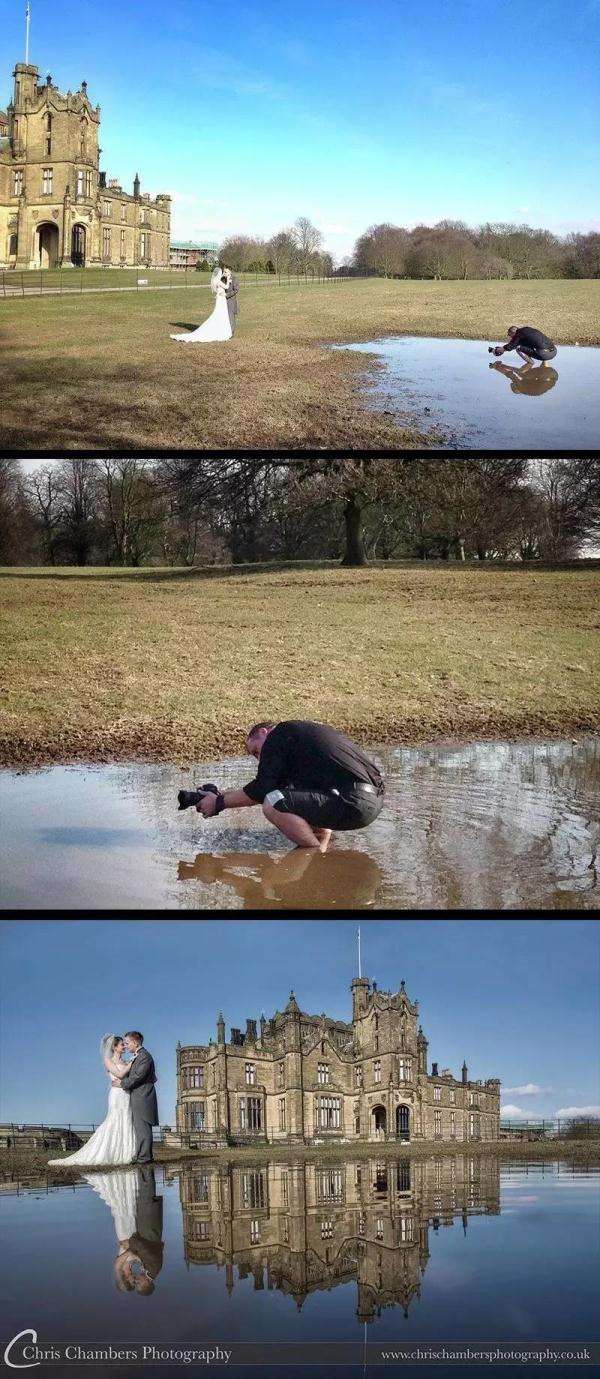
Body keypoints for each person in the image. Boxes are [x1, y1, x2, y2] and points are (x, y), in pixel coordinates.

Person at [195, 719, 385, 852]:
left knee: (273, 802)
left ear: (264, 732)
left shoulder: (279, 735)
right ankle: (322, 843)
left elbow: (263, 791)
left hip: (353, 800)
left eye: (256, 751)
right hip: (370, 804)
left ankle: (313, 856)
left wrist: (219, 803)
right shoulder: (299, 744)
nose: (260, 758)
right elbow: (264, 788)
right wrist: (219, 796)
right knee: (286, 798)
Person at [48, 1034, 136, 1167]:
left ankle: (127, 1153)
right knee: (115, 1120)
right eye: (121, 1044)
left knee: (127, 1119)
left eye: (124, 1044)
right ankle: (109, 1153)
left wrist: (129, 1065)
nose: (124, 1046)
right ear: (114, 1047)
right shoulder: (108, 1061)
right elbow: (119, 1074)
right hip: (116, 1094)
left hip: (126, 1094)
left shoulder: (125, 1062)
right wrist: (131, 1064)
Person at [118, 1032, 159, 1165]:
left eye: (127, 1043)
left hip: (143, 1096)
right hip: (139, 1095)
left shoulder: (144, 1057)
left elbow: (138, 1076)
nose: (126, 1045)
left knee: (143, 1126)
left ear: (136, 1043)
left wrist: (122, 1084)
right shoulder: (138, 1056)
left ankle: (144, 1158)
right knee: (140, 1127)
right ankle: (143, 1155)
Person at [170, 264, 233, 343]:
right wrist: (227, 279)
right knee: (221, 314)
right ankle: (220, 331)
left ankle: (219, 329)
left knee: (219, 314)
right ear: (219, 274)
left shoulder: (216, 280)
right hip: (221, 299)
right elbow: (227, 287)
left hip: (220, 298)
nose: (223, 273)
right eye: (222, 273)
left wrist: (224, 276)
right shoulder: (219, 282)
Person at [491, 325, 557, 365]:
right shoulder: (526, 330)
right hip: (554, 351)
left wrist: (496, 350)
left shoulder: (518, 335)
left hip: (545, 355)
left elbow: (509, 347)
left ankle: (530, 364)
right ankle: (545, 366)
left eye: (509, 335)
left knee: (518, 349)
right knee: (538, 346)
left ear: (513, 333)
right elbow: (514, 345)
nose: (510, 337)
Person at [489, 359, 558, 395]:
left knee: (532, 375)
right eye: (513, 384)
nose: (513, 382)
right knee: (522, 374)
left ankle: (545, 358)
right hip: (547, 376)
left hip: (554, 376)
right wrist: (497, 367)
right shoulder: (521, 387)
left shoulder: (528, 388)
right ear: (516, 387)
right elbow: (511, 375)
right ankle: (532, 362)